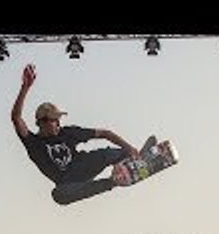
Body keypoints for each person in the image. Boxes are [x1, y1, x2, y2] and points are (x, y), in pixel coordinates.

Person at [12, 63, 156, 205]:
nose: (58, 124)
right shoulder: (34, 143)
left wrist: (129, 148)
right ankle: (112, 182)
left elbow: (105, 133)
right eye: (54, 120)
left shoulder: (67, 132)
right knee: (59, 195)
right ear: (42, 122)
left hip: (83, 165)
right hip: (68, 183)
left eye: (58, 120)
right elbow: (16, 118)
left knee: (105, 153)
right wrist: (25, 88)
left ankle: (138, 158)